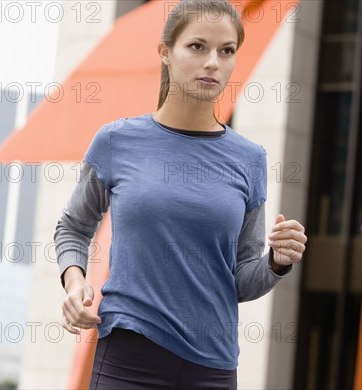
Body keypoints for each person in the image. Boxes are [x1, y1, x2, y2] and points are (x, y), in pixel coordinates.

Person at [53, 0, 308, 388]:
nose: (212, 62)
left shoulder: (250, 160)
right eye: (197, 46)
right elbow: (73, 227)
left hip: (212, 367)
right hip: (129, 355)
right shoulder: (117, 141)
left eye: (226, 51)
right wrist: (74, 281)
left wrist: (276, 261)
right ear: (165, 52)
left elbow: (240, 280)